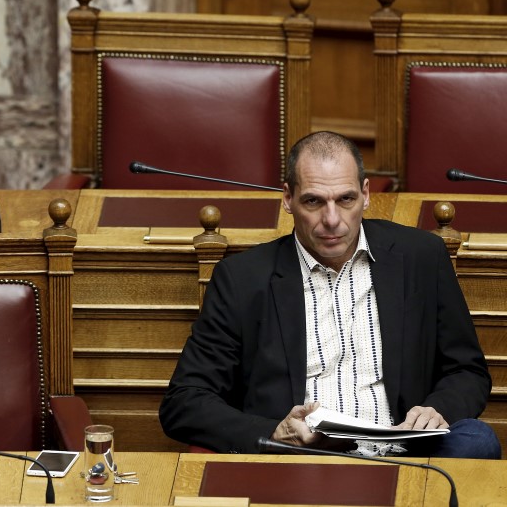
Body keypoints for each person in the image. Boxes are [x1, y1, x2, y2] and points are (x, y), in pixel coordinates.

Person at [159, 131, 501, 459]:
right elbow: (184, 402)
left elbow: (468, 371)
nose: (332, 220)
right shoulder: (243, 278)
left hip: (405, 447)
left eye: (346, 199)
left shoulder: (421, 256)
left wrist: (436, 410)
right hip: (301, 454)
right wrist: (274, 432)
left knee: (477, 440)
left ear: (366, 194)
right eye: (314, 201)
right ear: (288, 199)